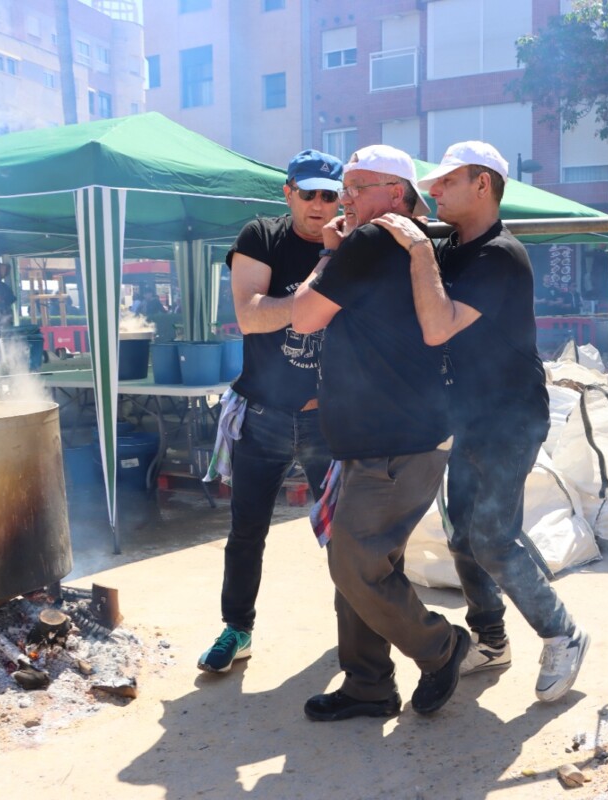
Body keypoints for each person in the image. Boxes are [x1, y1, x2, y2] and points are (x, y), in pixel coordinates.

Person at [374, 140, 589, 703]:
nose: (433, 190)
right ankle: (490, 639)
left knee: (493, 539)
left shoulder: (499, 255)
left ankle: (563, 632)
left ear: (483, 185)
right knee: (463, 535)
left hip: (509, 418)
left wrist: (421, 249)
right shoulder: (456, 249)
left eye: (446, 181)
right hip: (468, 416)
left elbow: (439, 325)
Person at [291, 144, 468, 720]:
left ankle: (440, 647)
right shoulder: (399, 244)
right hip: (393, 437)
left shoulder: (373, 240)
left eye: (355, 187)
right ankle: (367, 682)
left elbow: (304, 316)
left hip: (391, 442)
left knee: (354, 565)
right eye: (342, 188)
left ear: (395, 192)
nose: (342, 200)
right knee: (366, 566)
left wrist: (326, 257)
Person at [196, 149, 340, 674]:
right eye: (309, 193)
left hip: (332, 417)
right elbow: (251, 319)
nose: (320, 205)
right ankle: (237, 629)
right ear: (289, 192)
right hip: (265, 414)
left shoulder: (354, 242)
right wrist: (323, 271)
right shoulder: (262, 236)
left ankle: (356, 630)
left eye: (330, 194)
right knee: (246, 531)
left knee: (344, 535)